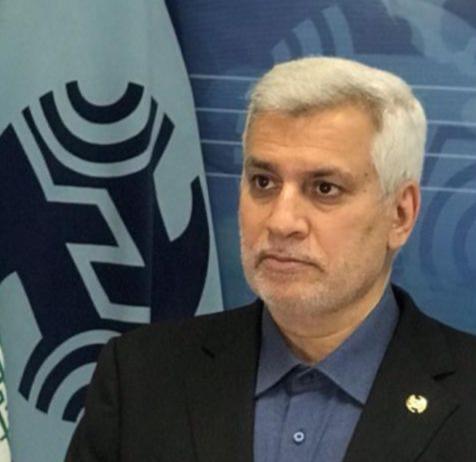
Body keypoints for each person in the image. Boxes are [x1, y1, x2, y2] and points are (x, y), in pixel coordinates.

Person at [65, 57, 476, 462]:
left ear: (400, 215)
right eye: (263, 182)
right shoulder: (141, 378)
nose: (281, 221)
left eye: (325, 188)